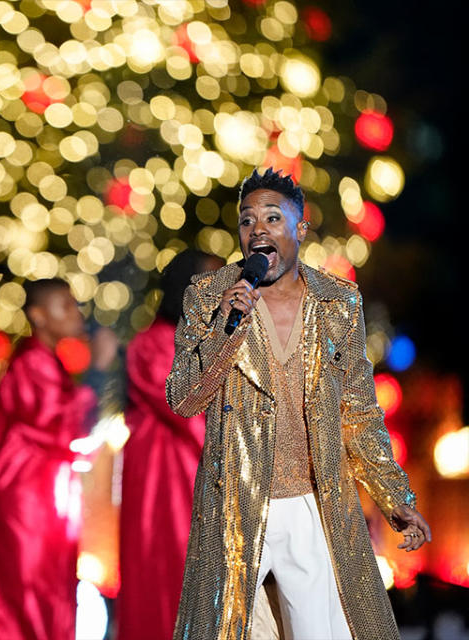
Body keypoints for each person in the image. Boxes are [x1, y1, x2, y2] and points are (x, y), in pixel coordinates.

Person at [166, 168, 431, 639]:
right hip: (237, 505)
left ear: (300, 230)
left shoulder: (338, 301)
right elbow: (184, 399)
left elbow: (359, 414)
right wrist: (226, 328)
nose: (258, 230)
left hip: (315, 502)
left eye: (272, 217)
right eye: (248, 221)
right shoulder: (209, 297)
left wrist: (395, 497)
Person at [0, 278, 118, 640]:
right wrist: (98, 369)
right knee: (29, 594)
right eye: (63, 306)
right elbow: (64, 428)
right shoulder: (32, 362)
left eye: (74, 305)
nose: (75, 314)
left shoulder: (49, 361)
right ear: (38, 316)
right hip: (24, 504)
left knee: (46, 592)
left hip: (41, 501)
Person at [117, 250, 224, 640]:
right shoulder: (154, 345)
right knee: (168, 585)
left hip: (198, 488)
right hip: (164, 495)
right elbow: (191, 413)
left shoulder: (209, 347)